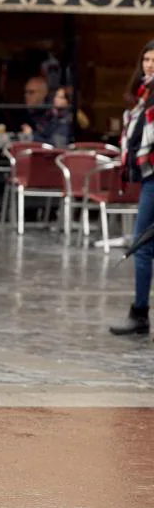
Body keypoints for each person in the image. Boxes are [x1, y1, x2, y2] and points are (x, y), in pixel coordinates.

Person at [110, 39, 154, 336]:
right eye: (147, 59)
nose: (149, 65)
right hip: (148, 175)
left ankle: (139, 314)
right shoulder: (143, 95)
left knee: (141, 245)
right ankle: (139, 312)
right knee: (143, 245)